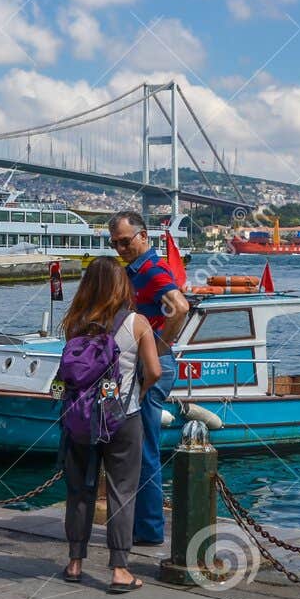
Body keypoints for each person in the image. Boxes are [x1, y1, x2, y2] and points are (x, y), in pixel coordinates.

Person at [58, 256, 160, 592]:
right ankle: (119, 570)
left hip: (80, 418)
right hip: (121, 417)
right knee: (122, 492)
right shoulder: (137, 323)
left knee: (80, 491)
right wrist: (137, 395)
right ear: (122, 286)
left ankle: (75, 563)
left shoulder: (74, 322)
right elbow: (155, 371)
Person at [107, 211, 190, 546]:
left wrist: (156, 346)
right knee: (138, 446)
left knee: (144, 448)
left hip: (152, 366)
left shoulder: (152, 270)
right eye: (114, 243)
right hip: (144, 364)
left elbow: (180, 307)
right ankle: (142, 527)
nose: (120, 248)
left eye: (125, 241)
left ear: (144, 236)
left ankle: (149, 531)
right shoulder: (134, 272)